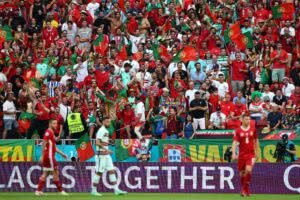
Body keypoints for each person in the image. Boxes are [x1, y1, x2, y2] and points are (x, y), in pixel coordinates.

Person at [91, 117, 127, 196]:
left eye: (109, 122)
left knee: (111, 170)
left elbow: (102, 142)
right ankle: (93, 190)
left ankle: (116, 190)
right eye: (107, 122)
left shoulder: (106, 131)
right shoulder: (101, 130)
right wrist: (106, 150)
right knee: (99, 172)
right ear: (103, 122)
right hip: (101, 155)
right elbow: (97, 143)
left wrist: (109, 144)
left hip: (106, 155)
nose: (108, 123)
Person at [35, 119, 68, 196]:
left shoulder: (51, 133)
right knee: (56, 173)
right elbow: (43, 144)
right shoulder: (48, 132)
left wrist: (62, 154)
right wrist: (42, 156)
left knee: (46, 173)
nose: (56, 125)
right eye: (54, 123)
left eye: (56, 123)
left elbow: (54, 147)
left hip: (48, 156)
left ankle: (38, 191)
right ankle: (61, 191)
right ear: (50, 124)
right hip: (49, 156)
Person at [232, 114, 260, 197]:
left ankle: (243, 191)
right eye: (246, 119)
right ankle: (246, 190)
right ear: (242, 120)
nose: (248, 121)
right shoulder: (237, 130)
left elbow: (256, 141)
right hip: (241, 155)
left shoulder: (253, 129)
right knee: (242, 174)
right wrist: (234, 153)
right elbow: (234, 143)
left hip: (251, 154)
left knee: (248, 170)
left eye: (249, 119)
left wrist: (257, 152)